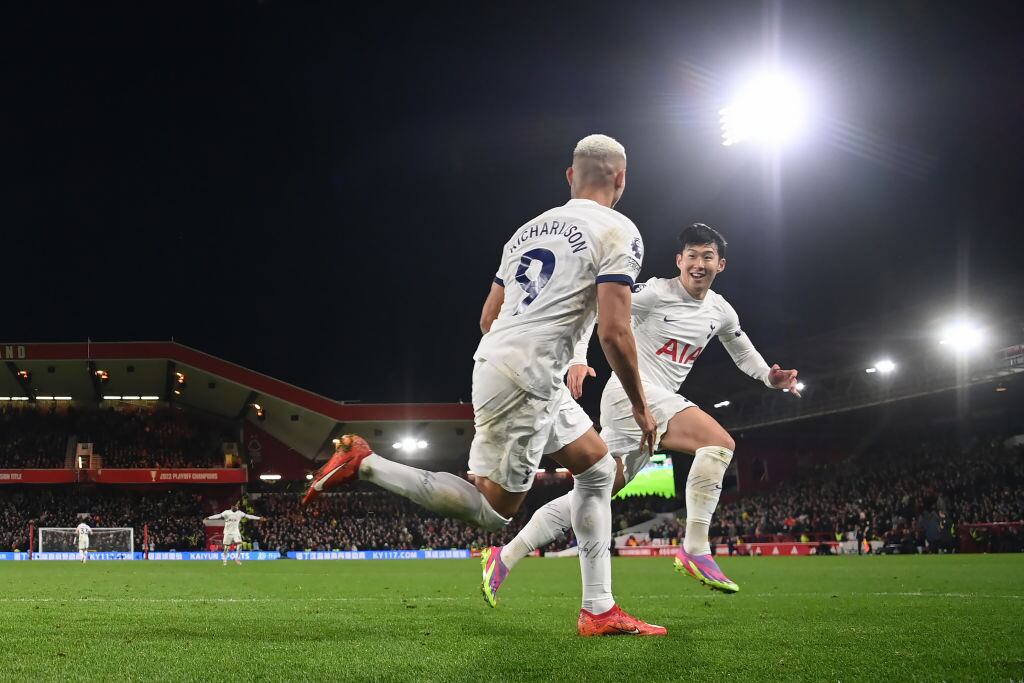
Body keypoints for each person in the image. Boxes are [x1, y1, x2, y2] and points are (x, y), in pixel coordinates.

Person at [304, 134, 665, 636]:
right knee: (494, 513)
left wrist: (535, 358)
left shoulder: (526, 231)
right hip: (530, 376)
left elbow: (488, 317)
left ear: (569, 176)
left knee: (599, 470)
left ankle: (598, 609)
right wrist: (641, 406)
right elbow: (615, 329)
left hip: (515, 365)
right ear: (622, 178)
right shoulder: (619, 231)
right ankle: (368, 464)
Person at [485, 223, 800, 601]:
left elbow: (742, 349)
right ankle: (695, 549)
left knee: (595, 492)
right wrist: (578, 358)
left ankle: (504, 555)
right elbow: (597, 308)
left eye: (708, 257)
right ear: (679, 260)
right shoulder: (654, 292)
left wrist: (770, 377)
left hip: (650, 405)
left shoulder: (721, 311)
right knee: (718, 444)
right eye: (693, 256)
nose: (699, 264)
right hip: (629, 393)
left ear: (721, 265)